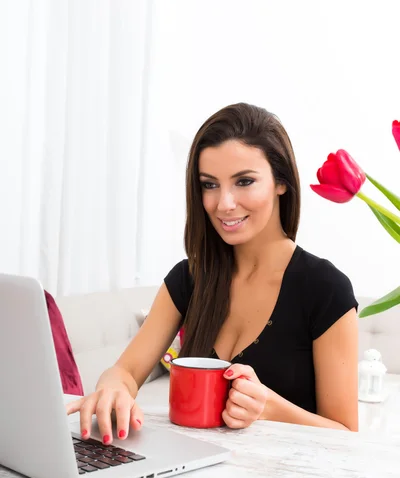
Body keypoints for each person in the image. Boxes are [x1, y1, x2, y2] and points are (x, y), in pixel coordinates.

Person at [67, 102, 359, 442]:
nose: (224, 203)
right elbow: (126, 371)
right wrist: (113, 387)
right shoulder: (188, 279)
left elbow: (346, 436)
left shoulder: (325, 289)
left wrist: (270, 408)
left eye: (244, 181)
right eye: (209, 185)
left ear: (281, 182)